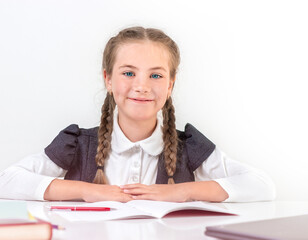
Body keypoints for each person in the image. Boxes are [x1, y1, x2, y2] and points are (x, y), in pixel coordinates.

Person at [0, 26, 275, 203]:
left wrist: (181, 191)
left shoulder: (188, 147)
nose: (142, 86)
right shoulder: (77, 144)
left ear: (170, 85)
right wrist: (88, 190)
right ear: (108, 79)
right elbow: (8, 181)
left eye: (155, 75)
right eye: (128, 73)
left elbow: (262, 186)